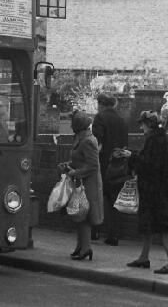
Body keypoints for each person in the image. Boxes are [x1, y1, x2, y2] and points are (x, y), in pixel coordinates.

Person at [116, 111, 168, 274]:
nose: (140, 126)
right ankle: (144, 258)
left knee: (163, 225)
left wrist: (132, 157)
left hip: (156, 190)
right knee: (148, 224)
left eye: (142, 123)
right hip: (156, 188)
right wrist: (133, 155)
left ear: (149, 124)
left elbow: (150, 165)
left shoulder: (154, 140)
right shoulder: (159, 139)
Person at [58, 110, 104, 261]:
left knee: (83, 216)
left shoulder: (89, 141)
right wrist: (69, 165)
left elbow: (93, 166)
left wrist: (74, 172)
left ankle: (86, 248)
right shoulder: (81, 139)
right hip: (80, 181)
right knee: (78, 214)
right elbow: (80, 159)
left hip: (88, 184)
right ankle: (80, 246)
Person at [91, 92, 128, 245]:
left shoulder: (100, 118)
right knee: (114, 200)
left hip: (103, 164)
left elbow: (96, 142)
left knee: (97, 197)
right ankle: (114, 235)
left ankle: (95, 230)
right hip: (119, 165)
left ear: (101, 104)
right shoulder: (121, 120)